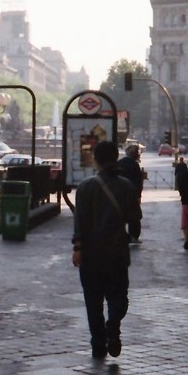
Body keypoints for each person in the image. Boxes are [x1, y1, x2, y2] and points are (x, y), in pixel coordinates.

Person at [71, 140, 141, 359]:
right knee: (118, 297)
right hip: (117, 254)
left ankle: (98, 345)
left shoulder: (85, 187)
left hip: (91, 255)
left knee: (93, 302)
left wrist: (78, 248)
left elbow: (80, 222)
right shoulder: (126, 186)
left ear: (96, 159)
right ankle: (113, 325)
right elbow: (135, 219)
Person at [116, 143, 145, 243]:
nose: (139, 154)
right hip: (131, 195)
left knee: (120, 216)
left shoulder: (119, 163)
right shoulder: (134, 165)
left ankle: (121, 235)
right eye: (137, 152)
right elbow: (138, 182)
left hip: (119, 194)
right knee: (134, 217)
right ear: (133, 153)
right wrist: (138, 196)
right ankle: (133, 236)